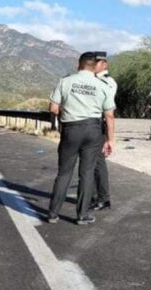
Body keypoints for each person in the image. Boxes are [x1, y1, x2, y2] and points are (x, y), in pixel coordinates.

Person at [47, 52, 116, 225]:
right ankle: (82, 215)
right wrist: (110, 139)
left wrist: (69, 112)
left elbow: (53, 109)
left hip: (71, 129)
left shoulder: (66, 81)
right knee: (86, 173)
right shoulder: (103, 85)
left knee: (64, 172)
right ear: (95, 66)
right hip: (93, 130)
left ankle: (53, 213)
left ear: (79, 64)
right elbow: (109, 116)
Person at [92, 51, 117, 211]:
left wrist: (110, 137)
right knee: (90, 162)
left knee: (98, 162)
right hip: (90, 124)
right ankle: (94, 195)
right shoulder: (91, 80)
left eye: (98, 62)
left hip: (99, 123)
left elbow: (107, 109)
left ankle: (103, 197)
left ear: (104, 64)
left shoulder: (108, 82)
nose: (94, 65)